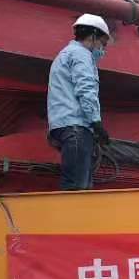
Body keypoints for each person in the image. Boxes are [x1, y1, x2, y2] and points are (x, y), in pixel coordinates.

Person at [47, 14, 111, 190]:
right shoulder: (81, 55)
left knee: (75, 188)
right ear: (93, 36)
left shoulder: (65, 54)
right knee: (77, 190)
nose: (102, 50)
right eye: (103, 43)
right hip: (76, 128)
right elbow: (86, 90)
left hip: (65, 126)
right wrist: (96, 123)